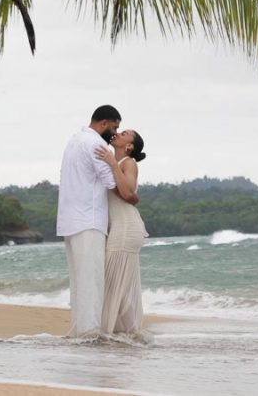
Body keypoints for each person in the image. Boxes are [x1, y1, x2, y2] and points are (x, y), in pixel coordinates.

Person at [56, 105, 137, 338]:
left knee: (80, 283)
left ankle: (81, 332)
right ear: (103, 123)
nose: (114, 133)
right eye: (114, 127)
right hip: (89, 220)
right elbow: (115, 186)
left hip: (70, 221)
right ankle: (90, 334)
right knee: (92, 282)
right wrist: (114, 165)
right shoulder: (97, 145)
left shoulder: (74, 141)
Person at [95, 129, 150, 339]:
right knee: (118, 285)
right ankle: (123, 333)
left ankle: (109, 333)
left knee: (111, 283)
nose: (119, 132)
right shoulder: (114, 163)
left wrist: (111, 162)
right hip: (119, 227)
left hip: (127, 228)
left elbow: (128, 191)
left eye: (125, 133)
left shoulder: (128, 162)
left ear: (129, 146)